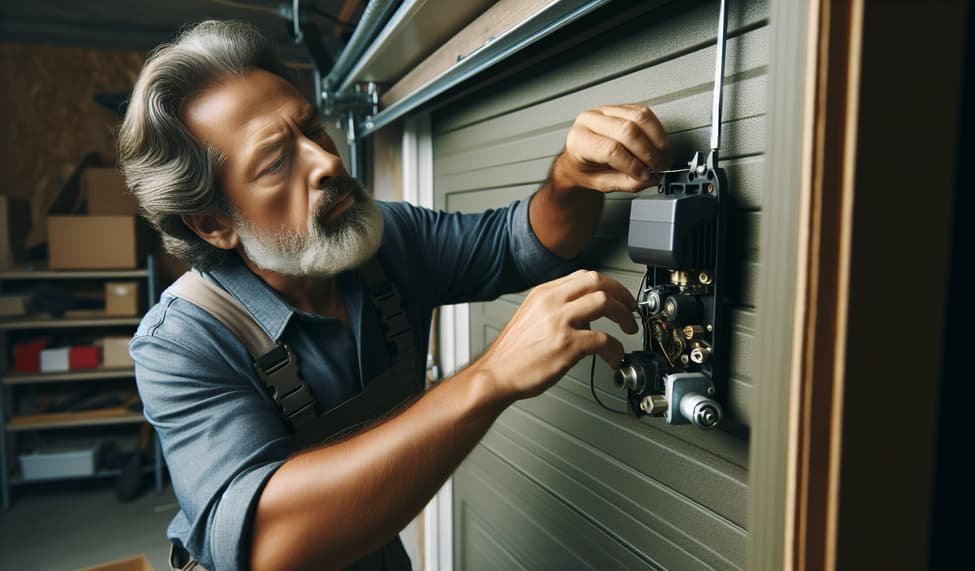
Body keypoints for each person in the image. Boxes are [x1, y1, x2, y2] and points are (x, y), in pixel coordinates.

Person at [118, 20, 670, 571]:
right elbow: (266, 544)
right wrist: (490, 378)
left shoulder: (387, 241)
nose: (327, 162)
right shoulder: (180, 343)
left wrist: (571, 178)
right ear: (215, 224)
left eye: (313, 130)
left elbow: (517, 244)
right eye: (277, 161)